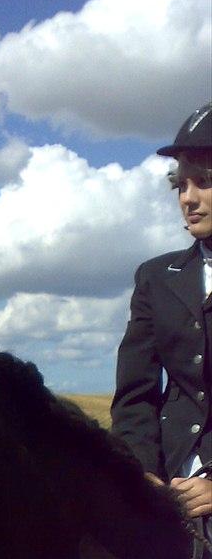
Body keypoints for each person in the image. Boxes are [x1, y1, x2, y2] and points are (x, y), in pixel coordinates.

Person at [111, 101, 212, 525]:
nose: (187, 199)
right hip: (168, 482)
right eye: (179, 185)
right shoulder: (156, 278)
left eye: (203, 182)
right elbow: (136, 392)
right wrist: (142, 471)